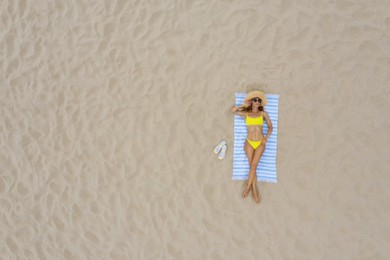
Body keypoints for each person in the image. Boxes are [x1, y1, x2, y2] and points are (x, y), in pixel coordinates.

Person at [231, 91, 273, 203]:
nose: (257, 102)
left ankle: (249, 188)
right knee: (251, 166)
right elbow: (233, 111)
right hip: (249, 142)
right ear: (251, 101)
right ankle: (254, 189)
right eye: (255, 100)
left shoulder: (263, 114)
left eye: (259, 100)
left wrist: (266, 138)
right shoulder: (246, 113)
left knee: (253, 166)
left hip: (260, 142)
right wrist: (244, 105)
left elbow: (270, 127)